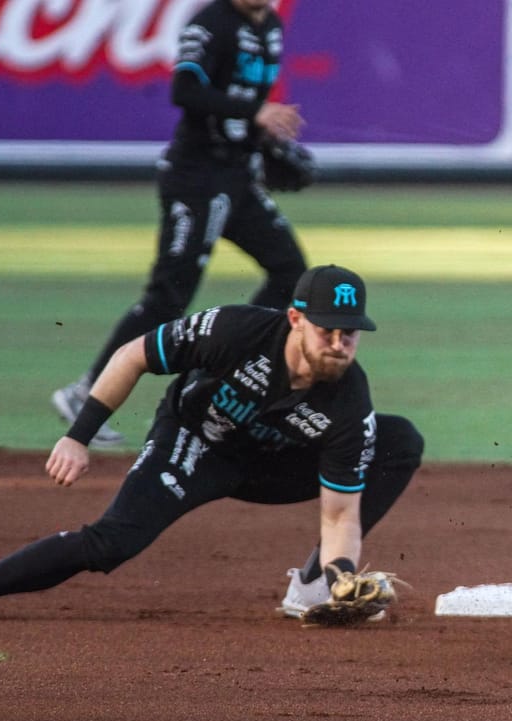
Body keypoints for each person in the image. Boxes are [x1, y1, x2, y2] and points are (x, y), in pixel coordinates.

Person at [0, 265, 424, 624]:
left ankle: (312, 588)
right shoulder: (234, 331)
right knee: (112, 543)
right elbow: (132, 356)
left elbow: (340, 513)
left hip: (273, 465)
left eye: (351, 334)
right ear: (296, 319)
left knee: (398, 439)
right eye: (328, 332)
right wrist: (79, 436)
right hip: (194, 443)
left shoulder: (349, 401)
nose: (339, 345)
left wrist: (340, 572)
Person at [51, 0, 309, 447]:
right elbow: (184, 91)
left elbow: (242, 103)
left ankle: (231, 376)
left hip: (237, 178)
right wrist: (256, 114)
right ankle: (85, 392)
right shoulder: (209, 23)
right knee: (170, 294)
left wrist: (263, 139)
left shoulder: (270, 27)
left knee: (291, 273)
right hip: (196, 177)